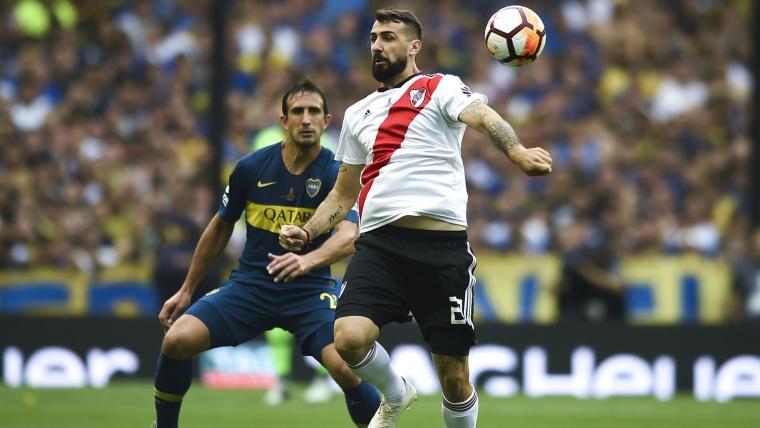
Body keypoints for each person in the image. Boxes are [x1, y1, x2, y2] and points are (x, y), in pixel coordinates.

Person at [279, 8, 552, 428]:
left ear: (413, 46)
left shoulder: (438, 87)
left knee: (455, 378)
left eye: (388, 37)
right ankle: (395, 392)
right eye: (373, 37)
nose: (377, 45)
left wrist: (515, 151)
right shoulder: (357, 114)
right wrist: (310, 229)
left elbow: (483, 116)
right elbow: (342, 193)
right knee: (348, 338)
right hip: (380, 247)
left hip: (441, 249)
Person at [152, 79, 381, 428]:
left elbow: (349, 237)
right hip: (251, 287)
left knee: (344, 368)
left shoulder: (337, 174)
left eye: (314, 112)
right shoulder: (251, 168)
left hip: (309, 292)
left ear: (327, 121)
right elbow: (220, 226)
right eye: (298, 112)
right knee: (177, 341)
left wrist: (306, 260)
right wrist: (186, 290)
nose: (306, 119)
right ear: (283, 120)